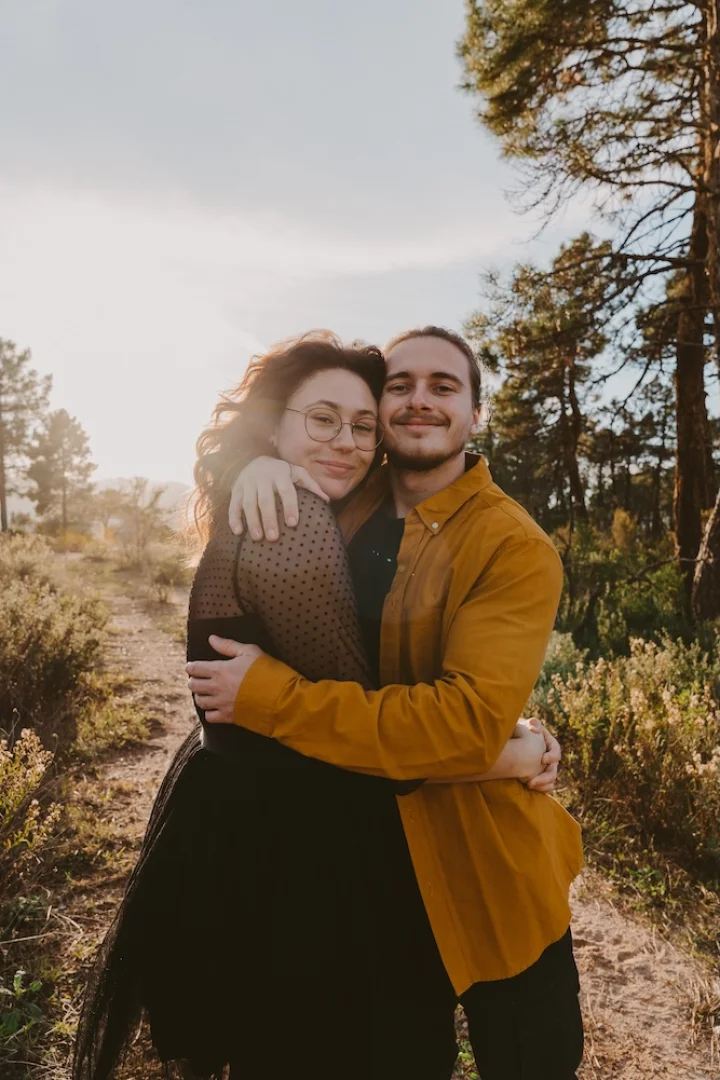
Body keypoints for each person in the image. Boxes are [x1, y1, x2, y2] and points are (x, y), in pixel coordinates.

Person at [74, 331, 559, 1080]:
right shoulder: (306, 514)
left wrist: (254, 460)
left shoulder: (504, 543)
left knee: (516, 1048)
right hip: (299, 836)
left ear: (476, 411)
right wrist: (508, 753)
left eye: (361, 425)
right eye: (398, 388)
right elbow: (390, 719)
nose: (409, 406)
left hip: (398, 838)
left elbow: (437, 716)